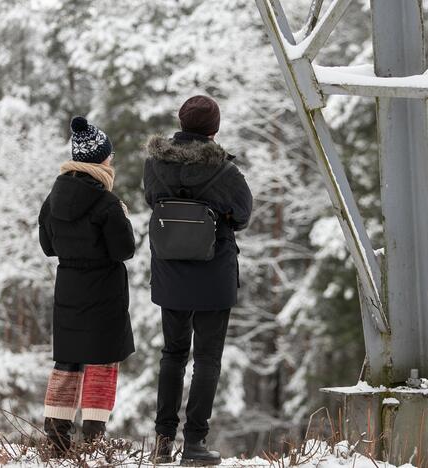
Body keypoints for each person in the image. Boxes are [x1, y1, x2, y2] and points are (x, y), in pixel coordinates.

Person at [143, 95, 253, 466]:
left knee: (172, 354)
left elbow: (151, 201)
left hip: (170, 270)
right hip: (213, 273)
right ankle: (194, 444)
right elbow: (242, 216)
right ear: (213, 129)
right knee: (207, 359)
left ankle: (162, 442)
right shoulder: (225, 171)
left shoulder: (154, 165)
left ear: (181, 123)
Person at [38, 116, 136, 456]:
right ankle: (94, 441)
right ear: (100, 160)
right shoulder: (107, 203)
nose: (111, 161)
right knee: (103, 362)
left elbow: (49, 246)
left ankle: (56, 439)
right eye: (108, 156)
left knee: (67, 363)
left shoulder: (53, 198)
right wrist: (122, 216)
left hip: (68, 290)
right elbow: (124, 250)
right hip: (104, 292)